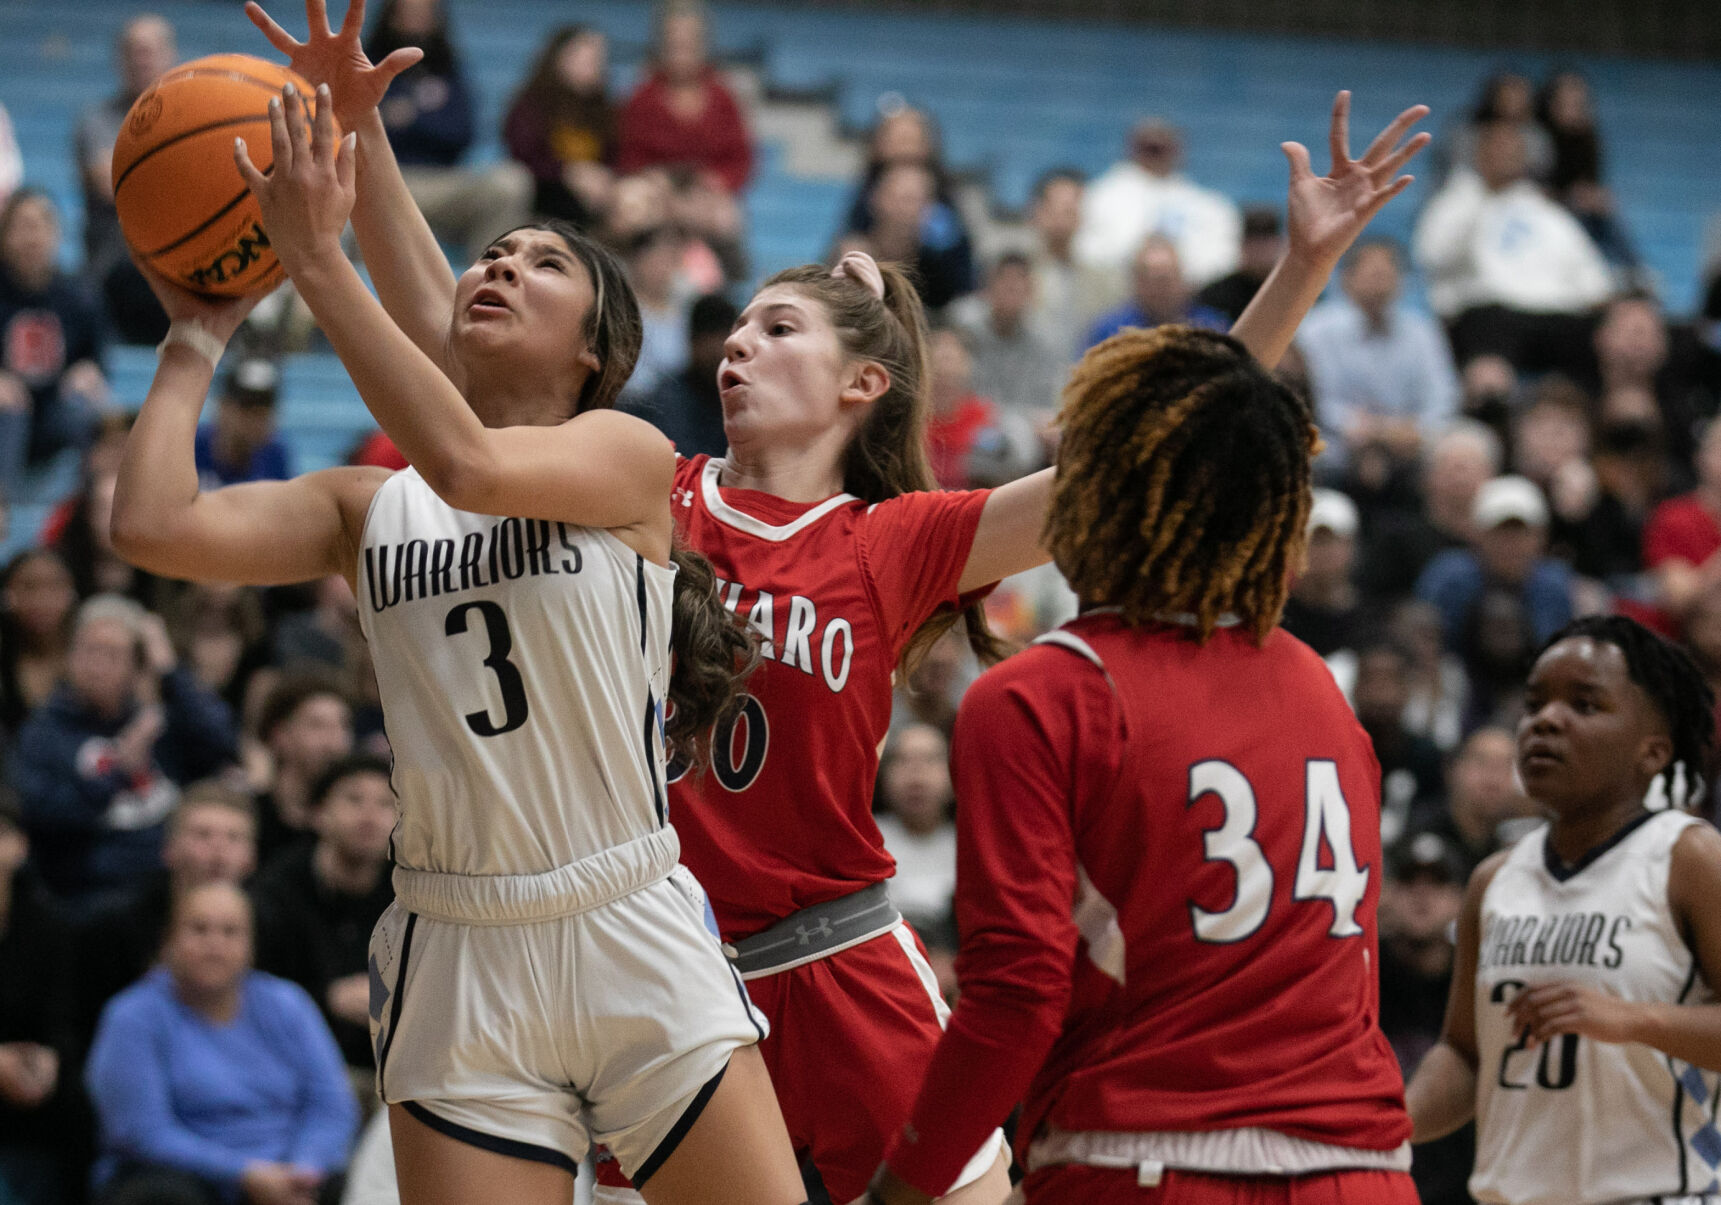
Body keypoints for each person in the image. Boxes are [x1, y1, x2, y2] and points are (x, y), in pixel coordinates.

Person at [261, 21, 1429, 1195]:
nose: (735, 347)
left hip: (839, 957)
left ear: (861, 383)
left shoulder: (893, 541)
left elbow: (1127, 456)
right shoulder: (646, 486)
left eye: (776, 328)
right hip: (658, 968)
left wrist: (1298, 272)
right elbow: (450, 341)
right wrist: (361, 137)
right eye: (734, 327)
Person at [123, 7, 806, 1197]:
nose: (500, 264)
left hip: (622, 908)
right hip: (455, 942)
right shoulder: (366, 508)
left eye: (543, 262)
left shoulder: (625, 456)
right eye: (492, 253)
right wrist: (198, 330)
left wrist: (322, 260)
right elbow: (153, 524)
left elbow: (474, 464)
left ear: (594, 351)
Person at [867, 322, 1416, 1205]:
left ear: (1104, 493)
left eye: (1073, 458)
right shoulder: (1315, 684)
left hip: (1143, 1159)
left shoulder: (1038, 693)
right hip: (1365, 1171)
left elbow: (1015, 996)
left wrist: (902, 1187)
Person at [1405, 615, 1721, 1205]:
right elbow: (1466, 1055)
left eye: (1585, 703)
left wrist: (1631, 1020)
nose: (1545, 720)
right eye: (1535, 703)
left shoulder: (1688, 857)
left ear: (1651, 752)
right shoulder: (1493, 880)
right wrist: (1387, 1127)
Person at [85, 881, 358, 1205]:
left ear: (251, 944)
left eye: (231, 932)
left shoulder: (288, 1003)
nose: (215, 944)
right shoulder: (132, 1016)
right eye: (199, 930)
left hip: (291, 1172)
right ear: (168, 940)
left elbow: (332, 1104)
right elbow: (143, 1132)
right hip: (179, 1176)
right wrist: (245, 1174)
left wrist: (302, 1171)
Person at [10, 594, 238, 914]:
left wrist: (169, 671)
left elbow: (223, 745)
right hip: (88, 897)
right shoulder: (44, 731)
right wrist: (118, 773)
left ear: (136, 665)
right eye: (89, 650)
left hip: (171, 889)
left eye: (114, 654)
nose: (98, 666)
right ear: (70, 655)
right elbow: (41, 813)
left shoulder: (159, 720)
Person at [1412, 119, 1613, 375]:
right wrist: (1480, 200)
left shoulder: (1545, 209)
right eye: (1499, 148)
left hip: (1555, 314)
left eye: (1514, 150)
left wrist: (1602, 299)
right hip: (1484, 314)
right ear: (1479, 153)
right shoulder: (1454, 202)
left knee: (1610, 338)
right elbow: (1432, 257)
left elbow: (1589, 272)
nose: (1507, 156)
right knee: (1488, 333)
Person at [77, 780, 259, 1036]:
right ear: (169, 849)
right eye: (203, 834)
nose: (219, 850)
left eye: (234, 837)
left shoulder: (271, 925)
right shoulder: (117, 926)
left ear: (252, 858)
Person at [253, 752, 395, 1074]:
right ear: (318, 813)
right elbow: (252, 991)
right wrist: (326, 999)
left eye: (386, 804)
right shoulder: (276, 891)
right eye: (354, 799)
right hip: (288, 1065)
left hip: (387, 1070)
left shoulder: (411, 895)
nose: (370, 815)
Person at [365, 0, 531, 264]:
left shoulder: (449, 70)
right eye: (410, 13)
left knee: (510, 183)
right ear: (392, 17)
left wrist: (410, 117)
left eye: (425, 14)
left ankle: (487, 287)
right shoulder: (364, 65)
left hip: (443, 182)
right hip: (380, 181)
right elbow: (353, 130)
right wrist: (425, 114)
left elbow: (462, 133)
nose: (417, 21)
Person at [1295, 238, 1460, 472]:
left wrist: (1417, 430)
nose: (1381, 284)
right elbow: (1312, 396)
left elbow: (1443, 395)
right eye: (1373, 275)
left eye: (1387, 275)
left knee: (1464, 448)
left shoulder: (1421, 330)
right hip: (1336, 438)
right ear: (1346, 280)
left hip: (1411, 440)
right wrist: (1358, 426)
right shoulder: (1316, 330)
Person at [0, 786, 83, 1205]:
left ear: (20, 846)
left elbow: (62, 1020)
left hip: (29, 1111)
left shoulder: (46, 925)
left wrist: (50, 1060)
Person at [73, 14, 175, 340]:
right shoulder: (96, 120)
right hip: (116, 263)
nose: (141, 59)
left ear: (170, 56)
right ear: (119, 60)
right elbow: (112, 187)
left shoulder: (197, 117)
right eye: (133, 51)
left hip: (183, 258)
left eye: (150, 50)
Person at [0, 188, 109, 492]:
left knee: (85, 404)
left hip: (54, 413)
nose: (32, 237)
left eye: (41, 226)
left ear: (57, 234)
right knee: (9, 406)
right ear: (5, 235)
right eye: (22, 226)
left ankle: (86, 510)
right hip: (6, 414)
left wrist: (86, 374)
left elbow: (98, 365)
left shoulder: (80, 296)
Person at [1075, 117, 1242, 287]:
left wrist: (1173, 274)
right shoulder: (1099, 197)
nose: (1155, 155)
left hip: (1189, 298)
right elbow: (1086, 251)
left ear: (1178, 150)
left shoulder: (1211, 206)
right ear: (1131, 148)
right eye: (1149, 148)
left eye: (1162, 148)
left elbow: (1224, 259)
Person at [614, 1, 753, 196]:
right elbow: (629, 156)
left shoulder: (724, 98)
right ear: (661, 47)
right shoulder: (641, 97)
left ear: (704, 47)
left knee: (724, 217)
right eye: (674, 46)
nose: (682, 56)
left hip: (708, 194)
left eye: (689, 46)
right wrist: (652, 180)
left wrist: (716, 182)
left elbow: (739, 159)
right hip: (653, 191)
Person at [502, 25, 617, 228]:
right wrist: (568, 172)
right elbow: (523, 160)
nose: (593, 66)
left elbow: (615, 157)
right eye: (584, 59)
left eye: (597, 60)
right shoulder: (531, 104)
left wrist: (603, 177)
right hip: (546, 195)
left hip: (595, 197)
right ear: (559, 58)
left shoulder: (605, 110)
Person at [252, 670, 354, 864]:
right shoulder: (252, 817)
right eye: (317, 726)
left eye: (343, 726)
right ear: (279, 735)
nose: (334, 742)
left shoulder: (353, 827)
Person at [621, 292, 735, 460]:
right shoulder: (668, 400)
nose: (719, 354)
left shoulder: (736, 395)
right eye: (713, 341)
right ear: (693, 342)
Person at [1083, 235, 1228, 350]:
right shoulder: (1110, 332)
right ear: (1136, 282)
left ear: (1182, 279)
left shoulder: (1212, 328)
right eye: (1149, 279)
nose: (1158, 289)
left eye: (1164, 279)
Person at [195, 357, 292, 488]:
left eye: (264, 409)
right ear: (223, 407)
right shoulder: (190, 448)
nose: (255, 419)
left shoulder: (274, 457)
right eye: (246, 407)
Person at [1195, 205, 1286, 323]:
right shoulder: (1216, 295)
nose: (1259, 249)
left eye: (1265, 241)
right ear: (1241, 244)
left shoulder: (1297, 289)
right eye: (1252, 241)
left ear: (1280, 244)